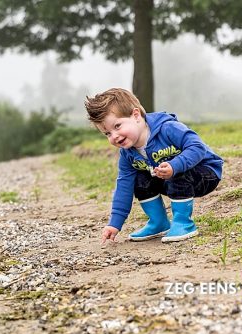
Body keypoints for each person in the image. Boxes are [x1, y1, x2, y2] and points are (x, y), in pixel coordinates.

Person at [85, 88, 223, 244]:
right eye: (107, 133)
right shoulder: (128, 154)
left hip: (205, 172)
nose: (114, 136)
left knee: (176, 171)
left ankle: (184, 223)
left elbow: (198, 147)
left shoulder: (167, 128)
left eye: (117, 126)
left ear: (136, 115)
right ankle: (159, 222)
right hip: (169, 179)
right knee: (139, 178)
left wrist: (175, 165)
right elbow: (124, 186)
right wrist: (114, 223)